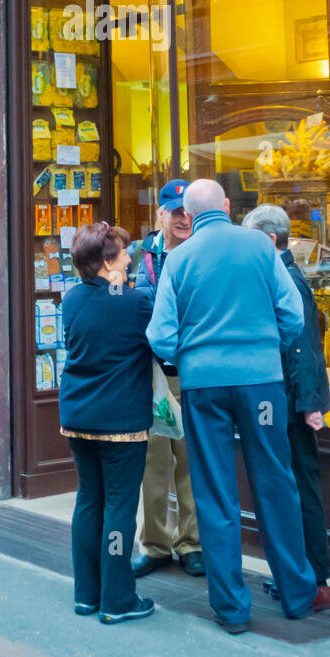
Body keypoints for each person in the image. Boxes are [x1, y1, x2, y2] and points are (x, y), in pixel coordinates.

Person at [147, 179, 330, 632]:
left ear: (188, 216)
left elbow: (159, 335)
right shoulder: (259, 246)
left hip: (203, 386)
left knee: (214, 491)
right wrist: (266, 348)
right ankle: (297, 594)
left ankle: (231, 609)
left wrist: (187, 359)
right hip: (261, 384)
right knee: (276, 483)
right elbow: (292, 316)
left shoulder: (179, 258)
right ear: (227, 206)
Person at [59, 222, 156, 625]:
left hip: (78, 415)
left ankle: (87, 594)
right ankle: (117, 599)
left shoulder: (71, 298)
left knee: (88, 501)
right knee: (119, 507)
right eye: (123, 253)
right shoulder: (132, 303)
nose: (130, 257)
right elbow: (160, 343)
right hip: (121, 420)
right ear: (106, 261)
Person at [243, 204, 330, 605]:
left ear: (268, 239)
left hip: (292, 402)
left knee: (299, 485)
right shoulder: (279, 273)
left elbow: (301, 346)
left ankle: (314, 579)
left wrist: (308, 402)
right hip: (290, 399)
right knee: (291, 484)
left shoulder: (286, 278)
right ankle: (300, 574)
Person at [131, 179, 204, 579]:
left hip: (192, 372)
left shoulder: (202, 252)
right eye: (175, 212)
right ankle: (156, 544)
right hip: (153, 373)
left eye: (187, 212)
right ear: (160, 214)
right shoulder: (138, 256)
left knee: (191, 463)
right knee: (153, 463)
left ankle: (191, 543)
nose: (182, 219)